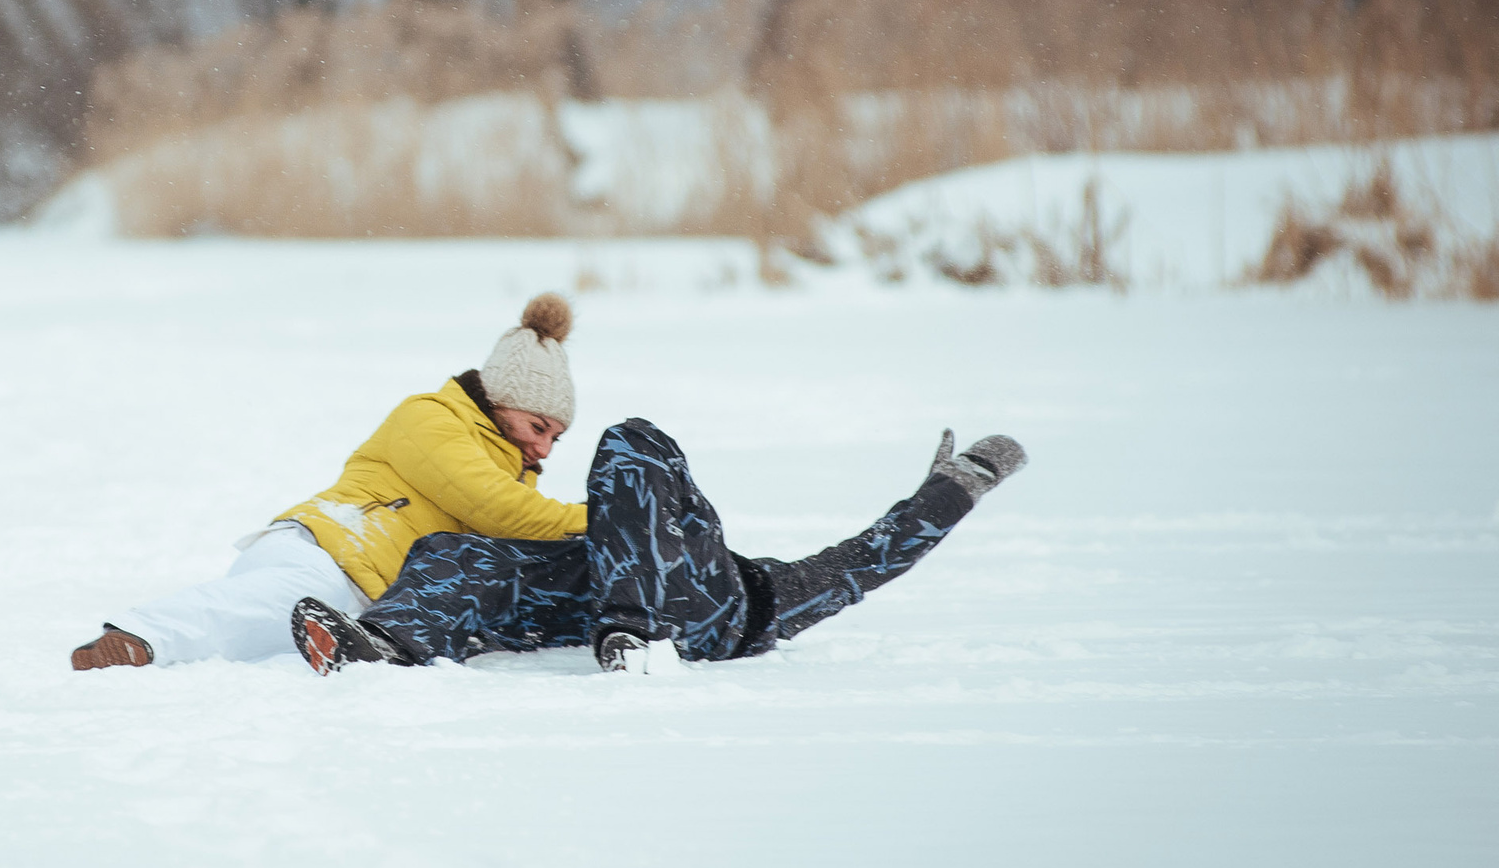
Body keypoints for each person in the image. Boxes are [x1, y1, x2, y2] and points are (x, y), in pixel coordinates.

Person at [71, 295, 587, 669]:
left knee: (261, 643)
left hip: (361, 600)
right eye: (537, 427)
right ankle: (138, 636)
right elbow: (498, 510)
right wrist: (611, 517)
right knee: (285, 599)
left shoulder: (514, 472)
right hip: (324, 550)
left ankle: (156, 651)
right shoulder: (430, 419)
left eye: (555, 440)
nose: (543, 449)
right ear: (499, 401)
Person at [290, 421, 1027, 675]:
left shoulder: (750, 593)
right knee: (447, 550)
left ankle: (639, 634)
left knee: (633, 439)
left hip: (683, 613)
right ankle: (383, 645)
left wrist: (960, 485)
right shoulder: (579, 558)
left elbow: (865, 558)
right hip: (585, 602)